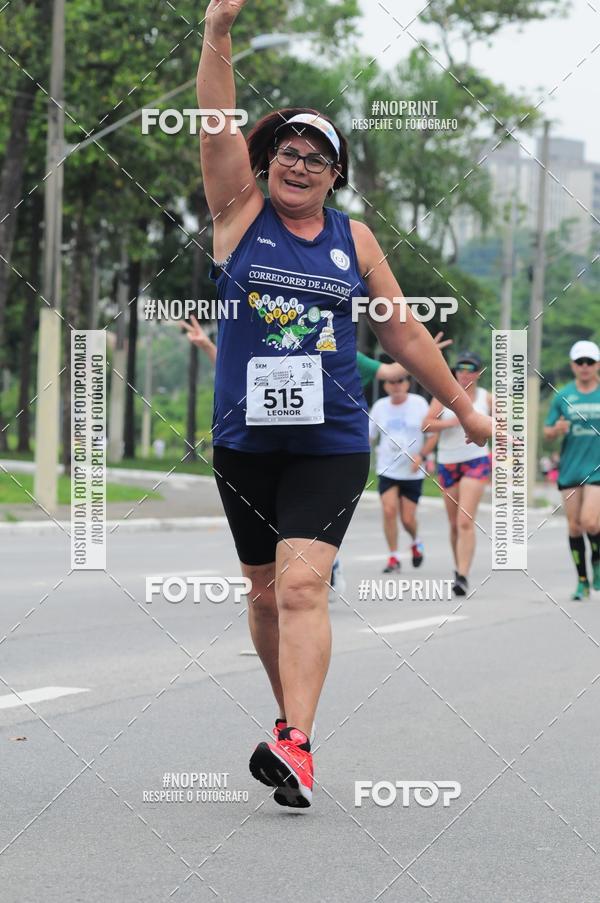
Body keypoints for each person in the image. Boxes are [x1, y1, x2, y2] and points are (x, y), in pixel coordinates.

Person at [197, 0, 491, 809]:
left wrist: (463, 409)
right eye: (287, 152)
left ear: (336, 174)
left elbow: (404, 334)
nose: (298, 165)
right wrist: (217, 33)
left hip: (330, 441)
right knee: (262, 590)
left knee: (300, 586)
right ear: (267, 163)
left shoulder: (354, 242)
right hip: (245, 442)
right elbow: (217, 129)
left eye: (316, 158)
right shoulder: (238, 217)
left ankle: (297, 743)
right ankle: (290, 719)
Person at [423, 351, 492, 596]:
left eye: (470, 368)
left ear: (478, 372)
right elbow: (426, 424)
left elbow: (501, 426)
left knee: (465, 520)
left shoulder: (487, 398)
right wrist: (453, 422)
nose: (465, 372)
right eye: (461, 368)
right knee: (453, 524)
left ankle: (463, 575)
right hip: (448, 463)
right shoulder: (444, 395)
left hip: (475, 460)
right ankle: (457, 568)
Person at [543, 340, 600, 600]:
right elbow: (547, 432)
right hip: (570, 468)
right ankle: (582, 581)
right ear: (572, 366)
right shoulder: (563, 395)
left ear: (597, 364)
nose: (585, 367)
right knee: (574, 526)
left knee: (590, 521)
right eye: (580, 362)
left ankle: (597, 563)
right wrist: (556, 430)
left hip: (596, 468)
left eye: (590, 362)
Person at [369, 370, 437, 572]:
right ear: (386, 386)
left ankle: (416, 541)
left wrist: (422, 456)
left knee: (407, 519)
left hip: (412, 471)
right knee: (389, 511)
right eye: (391, 382)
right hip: (387, 469)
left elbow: (432, 435)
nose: (396, 386)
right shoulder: (380, 408)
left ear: (407, 384)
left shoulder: (419, 404)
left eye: (400, 381)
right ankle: (393, 557)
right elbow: (368, 437)